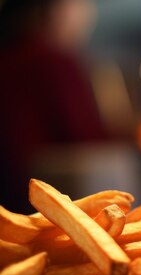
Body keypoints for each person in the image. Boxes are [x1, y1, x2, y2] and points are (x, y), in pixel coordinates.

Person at [0, 0, 108, 213]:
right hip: (55, 212)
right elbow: (90, 141)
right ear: (49, 8)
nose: (88, 14)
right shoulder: (55, 62)